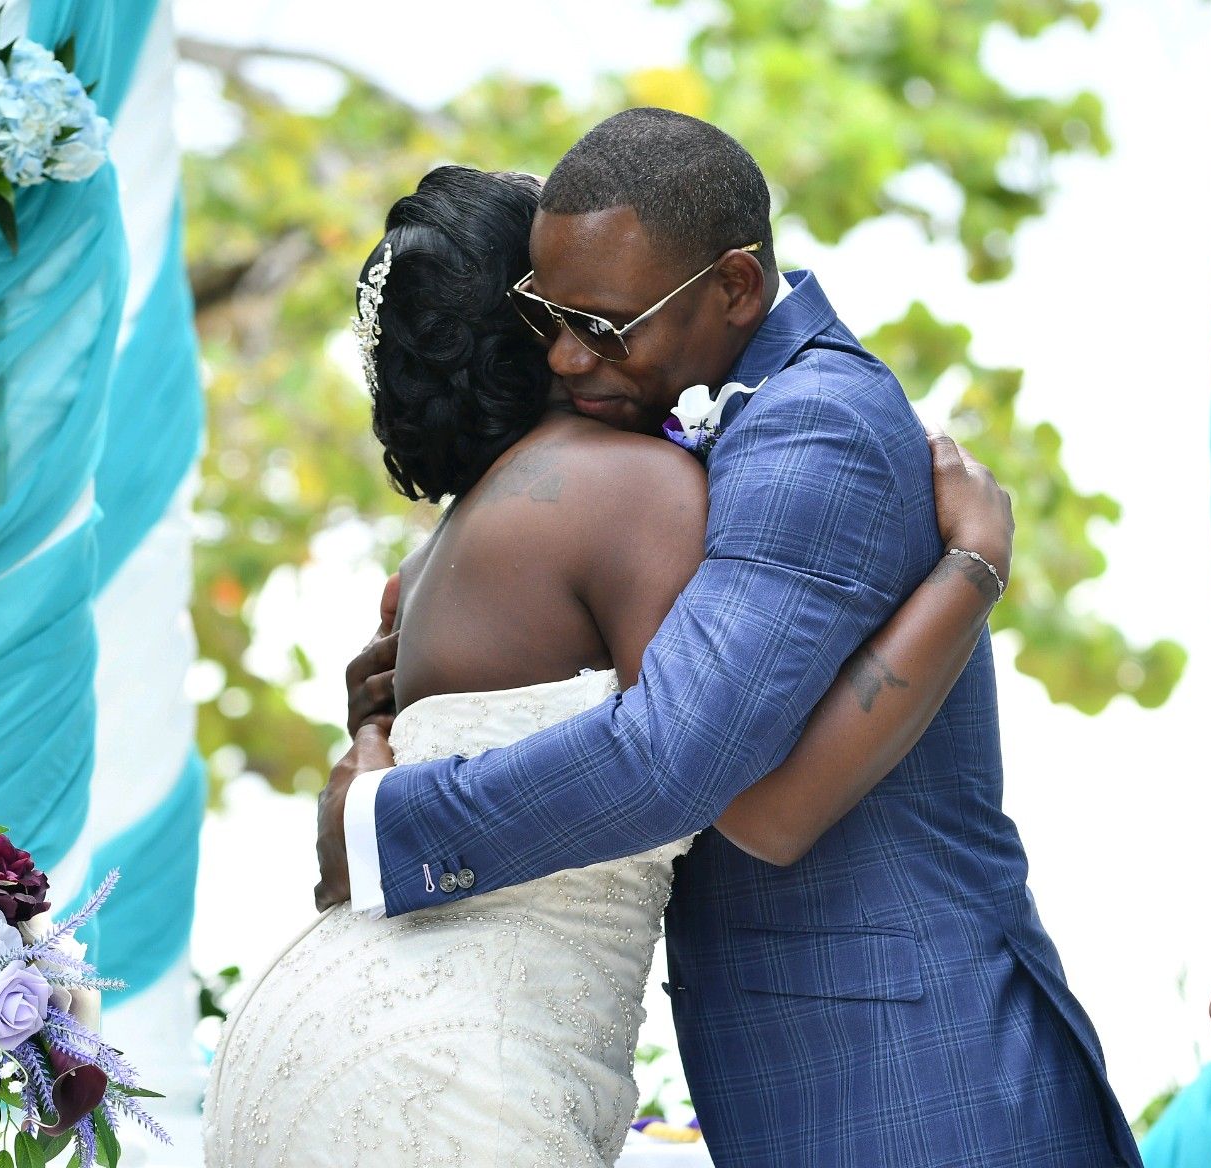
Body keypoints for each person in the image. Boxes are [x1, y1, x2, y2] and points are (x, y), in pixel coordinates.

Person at [322, 110, 1139, 1167]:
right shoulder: (689, 436)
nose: (569, 357)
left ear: (737, 289)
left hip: (917, 1075)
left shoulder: (815, 425)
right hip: (832, 1074)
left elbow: (699, 769)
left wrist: (389, 817)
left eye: (607, 326)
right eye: (546, 316)